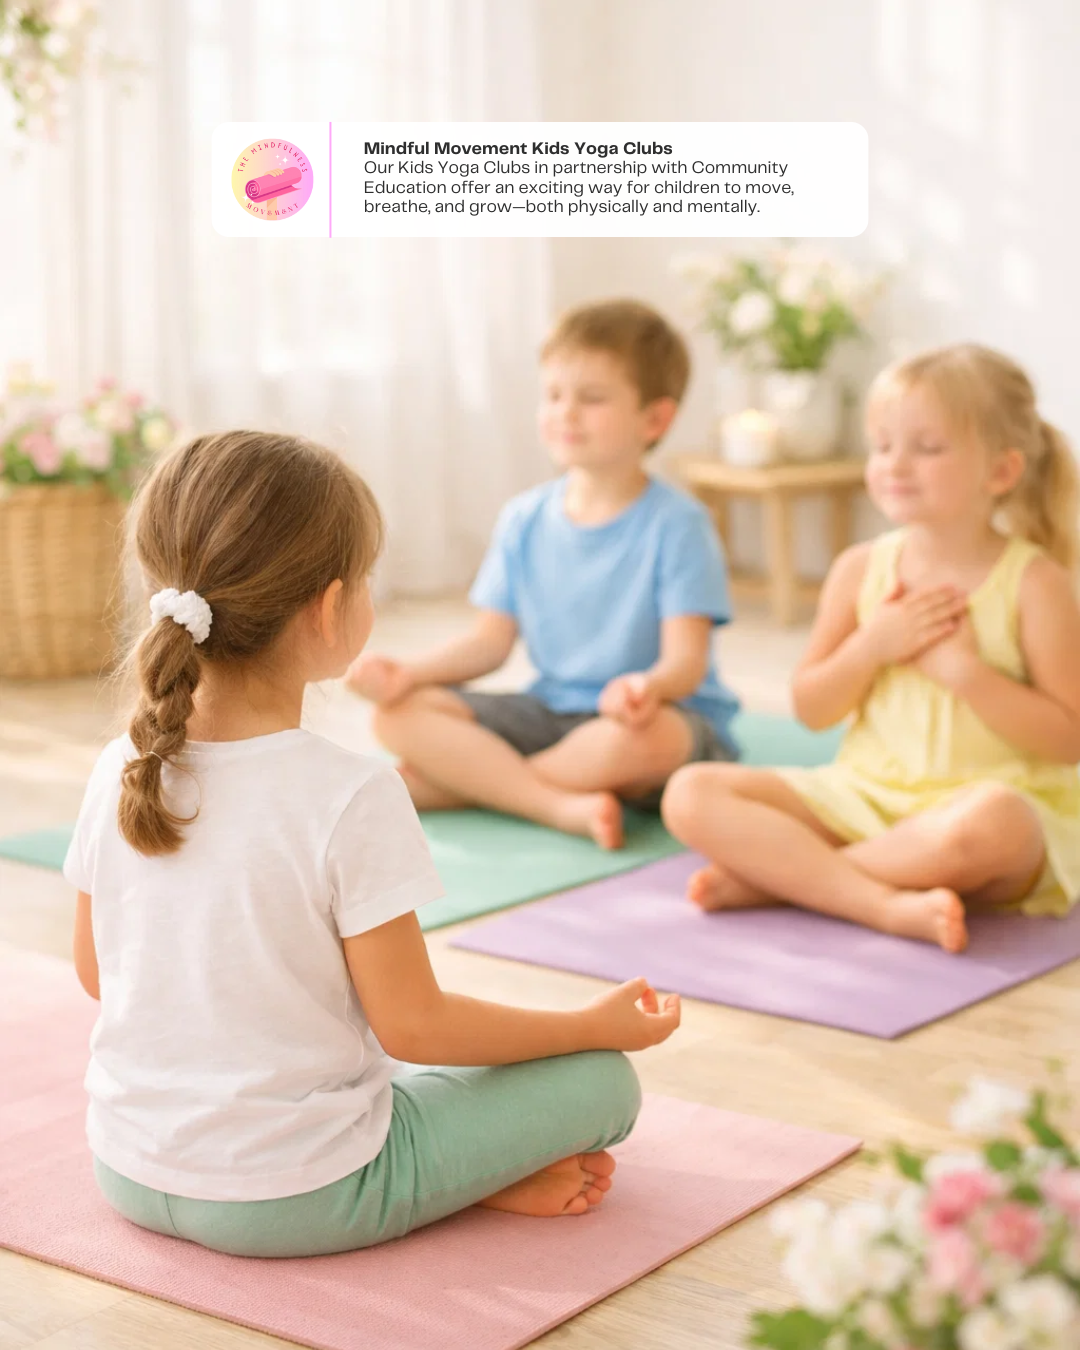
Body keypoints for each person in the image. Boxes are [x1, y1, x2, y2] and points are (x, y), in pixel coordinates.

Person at [66, 430, 680, 1259]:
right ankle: (469, 1176)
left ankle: (471, 1168)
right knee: (601, 1080)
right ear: (328, 610)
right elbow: (415, 1029)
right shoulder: (351, 793)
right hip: (301, 1196)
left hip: (128, 1169)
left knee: (382, 1064)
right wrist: (585, 1024)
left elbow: (98, 973)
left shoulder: (121, 764)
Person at [661, 344, 1080, 953]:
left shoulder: (1036, 582)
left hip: (975, 808)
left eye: (927, 447)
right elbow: (812, 709)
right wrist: (871, 647)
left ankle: (786, 881)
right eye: (883, 445)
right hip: (862, 797)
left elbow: (1069, 738)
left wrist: (963, 672)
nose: (895, 464)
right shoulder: (860, 570)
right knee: (690, 792)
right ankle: (876, 900)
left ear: (1001, 472)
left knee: (998, 824)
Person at [347, 299, 740, 850]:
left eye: (592, 398)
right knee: (398, 717)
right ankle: (552, 803)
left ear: (654, 419)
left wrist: (646, 687)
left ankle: (467, 785)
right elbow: (489, 644)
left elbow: (686, 664)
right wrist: (408, 673)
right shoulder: (523, 518)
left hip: (648, 718)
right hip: (549, 711)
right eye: (553, 395)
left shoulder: (680, 524)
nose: (566, 413)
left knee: (647, 741)